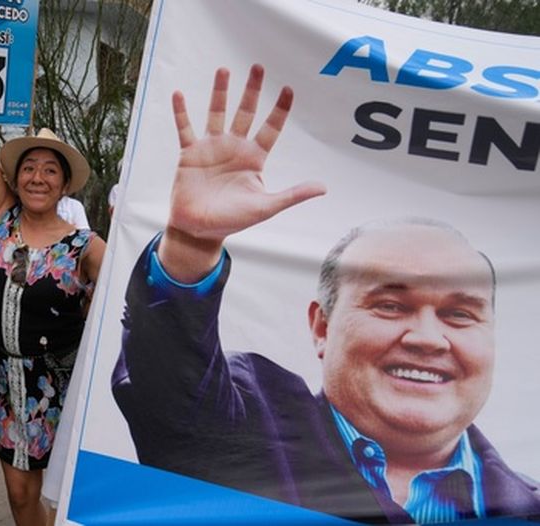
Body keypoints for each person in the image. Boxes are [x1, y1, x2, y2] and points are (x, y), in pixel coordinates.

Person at [111, 65, 540, 523]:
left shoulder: (527, 505)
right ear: (321, 325)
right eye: (391, 305)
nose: (428, 338)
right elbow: (170, 381)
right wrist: (192, 245)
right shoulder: (249, 422)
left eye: (459, 315)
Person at [0, 43, 106, 526]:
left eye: (50, 170)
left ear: (64, 185)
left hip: (60, 387)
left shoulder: (86, 246)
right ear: (16, 177)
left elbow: (128, 304)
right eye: (29, 167)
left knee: (64, 497)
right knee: (21, 496)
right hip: (5, 381)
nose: (37, 177)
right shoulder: (1, 218)